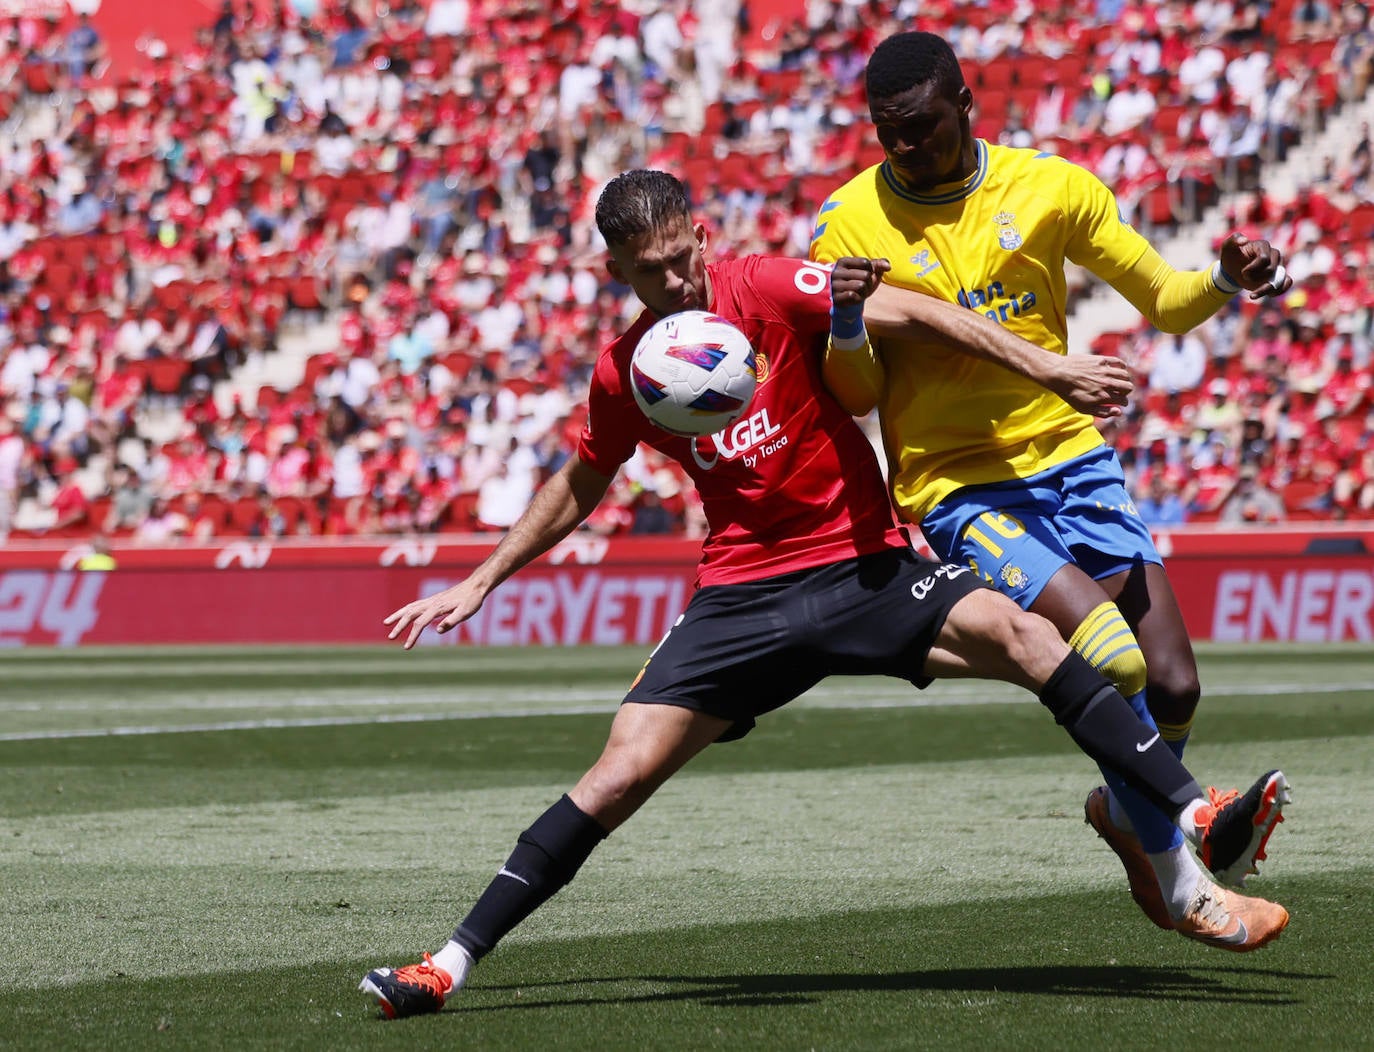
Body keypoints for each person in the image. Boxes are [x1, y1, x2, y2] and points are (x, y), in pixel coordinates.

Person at [358, 170, 1289, 1020]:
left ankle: (1187, 813)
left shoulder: (766, 285)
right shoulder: (627, 371)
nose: (677, 285)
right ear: (617, 270)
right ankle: (447, 964)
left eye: (683, 260)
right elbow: (581, 480)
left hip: (863, 566)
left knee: (1027, 635)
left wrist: (1046, 366)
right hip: (740, 599)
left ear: (702, 235)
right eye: (650, 274)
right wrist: (482, 578)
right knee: (616, 776)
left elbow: (915, 314)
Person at [809, 30, 1294, 935]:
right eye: (887, 133)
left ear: (965, 103)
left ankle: (1124, 810)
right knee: (1111, 657)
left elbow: (1168, 301)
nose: (905, 149)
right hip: (957, 483)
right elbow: (859, 393)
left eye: (921, 128)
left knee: (1177, 685)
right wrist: (843, 319)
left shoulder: (1052, 188)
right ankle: (1181, 872)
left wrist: (1226, 276)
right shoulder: (847, 223)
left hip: (1071, 459)